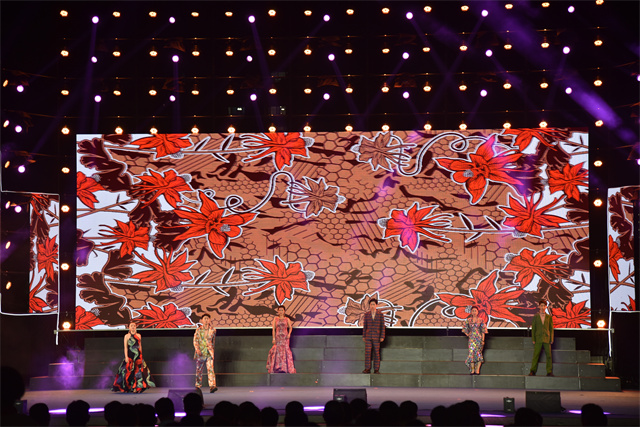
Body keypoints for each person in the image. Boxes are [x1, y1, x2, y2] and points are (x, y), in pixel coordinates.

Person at [112, 321, 155, 392]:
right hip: (130, 355)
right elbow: (125, 347)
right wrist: (126, 357)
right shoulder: (126, 336)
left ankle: (137, 387)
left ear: (136, 327)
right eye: (131, 326)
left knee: (138, 372)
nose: (133, 327)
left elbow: (140, 346)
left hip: (138, 356)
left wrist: (141, 355)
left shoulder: (139, 335)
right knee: (128, 371)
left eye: (134, 326)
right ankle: (128, 387)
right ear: (129, 327)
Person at [267, 305, 296, 373]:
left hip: (285, 338)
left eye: (282, 310)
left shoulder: (287, 319)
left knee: (285, 350)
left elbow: (290, 327)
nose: (281, 311)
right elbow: (273, 329)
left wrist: (289, 334)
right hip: (278, 338)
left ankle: (285, 368)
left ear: (284, 311)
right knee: (277, 351)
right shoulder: (275, 319)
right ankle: (277, 367)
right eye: (279, 310)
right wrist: (273, 338)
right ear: (278, 311)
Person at [529, 300, 554, 376]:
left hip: (547, 338)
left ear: (546, 307)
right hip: (538, 338)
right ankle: (532, 371)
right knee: (536, 355)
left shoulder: (549, 317)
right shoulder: (536, 317)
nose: (542, 307)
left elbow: (551, 329)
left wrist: (551, 339)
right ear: (539, 306)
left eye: (544, 306)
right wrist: (533, 339)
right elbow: (534, 328)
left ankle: (549, 371)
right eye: (541, 306)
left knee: (549, 355)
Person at [194, 313, 218, 392]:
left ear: (210, 320)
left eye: (207, 318)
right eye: (205, 318)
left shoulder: (213, 330)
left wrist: (212, 350)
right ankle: (198, 385)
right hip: (200, 352)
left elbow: (213, 341)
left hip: (209, 352)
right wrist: (197, 349)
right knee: (199, 370)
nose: (206, 320)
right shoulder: (198, 330)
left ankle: (212, 386)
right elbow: (195, 341)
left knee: (210, 369)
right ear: (202, 320)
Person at [462, 306, 488, 375]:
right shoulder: (468, 320)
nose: (474, 312)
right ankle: (472, 370)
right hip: (471, 339)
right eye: (473, 311)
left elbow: (483, 331)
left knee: (478, 353)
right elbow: (464, 329)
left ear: (477, 312)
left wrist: (483, 340)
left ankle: (477, 369)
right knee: (471, 353)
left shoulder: (481, 320)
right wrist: (468, 334)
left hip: (478, 339)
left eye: (475, 311)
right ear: (471, 312)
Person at [362, 298, 385, 374]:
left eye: (373, 304)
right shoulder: (367, 314)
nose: (372, 306)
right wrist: (364, 336)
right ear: (369, 305)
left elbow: (382, 326)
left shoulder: (380, 314)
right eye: (371, 304)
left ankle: (376, 369)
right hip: (368, 336)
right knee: (367, 352)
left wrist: (382, 336)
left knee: (376, 353)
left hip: (377, 336)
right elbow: (365, 326)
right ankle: (367, 368)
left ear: (376, 305)